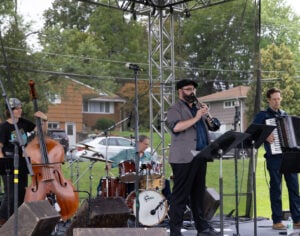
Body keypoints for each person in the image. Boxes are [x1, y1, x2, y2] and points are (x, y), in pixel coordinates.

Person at [166, 79, 221, 236]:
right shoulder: (174, 109)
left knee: (198, 195)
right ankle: (175, 231)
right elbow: (176, 127)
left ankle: (202, 228)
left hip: (200, 156)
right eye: (188, 89)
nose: (192, 92)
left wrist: (207, 114)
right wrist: (197, 117)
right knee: (180, 197)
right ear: (180, 91)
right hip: (183, 159)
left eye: (194, 90)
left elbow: (214, 126)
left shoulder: (198, 108)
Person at [252, 88, 300, 230]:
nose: (277, 101)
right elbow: (252, 133)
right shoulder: (263, 116)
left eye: (279, 99)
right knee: (276, 189)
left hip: (291, 156)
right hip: (275, 158)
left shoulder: (285, 115)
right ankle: (277, 220)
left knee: (294, 188)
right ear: (268, 100)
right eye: (274, 99)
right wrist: (265, 136)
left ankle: (297, 219)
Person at [0, 98, 48, 226]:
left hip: (22, 162)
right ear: (10, 111)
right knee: (10, 193)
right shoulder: (4, 127)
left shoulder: (23, 123)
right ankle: (3, 220)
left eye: (20, 108)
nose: (20, 110)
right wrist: (2, 162)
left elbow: (42, 132)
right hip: (9, 163)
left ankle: (19, 220)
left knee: (22, 191)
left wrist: (44, 120)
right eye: (17, 108)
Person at [99, 135, 171, 202]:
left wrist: (158, 166)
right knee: (132, 183)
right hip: (131, 179)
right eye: (145, 144)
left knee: (165, 182)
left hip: (146, 180)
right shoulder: (127, 153)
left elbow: (154, 166)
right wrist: (109, 165)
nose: (147, 146)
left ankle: (167, 206)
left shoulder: (148, 156)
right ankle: (131, 204)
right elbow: (111, 162)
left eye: (148, 144)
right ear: (139, 143)